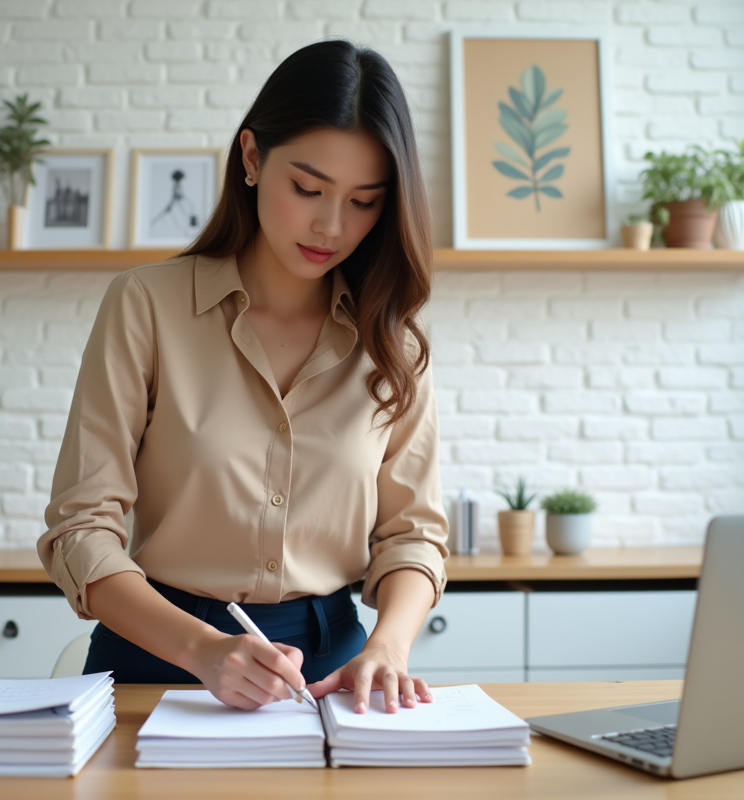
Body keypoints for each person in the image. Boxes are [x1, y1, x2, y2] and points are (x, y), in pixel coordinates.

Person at [38, 39, 448, 715]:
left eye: (364, 201)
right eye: (308, 188)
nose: (331, 224)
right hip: (156, 655)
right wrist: (202, 649)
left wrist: (391, 646)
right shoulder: (147, 305)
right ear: (253, 159)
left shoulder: (391, 342)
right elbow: (81, 529)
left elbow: (413, 536)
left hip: (332, 670)